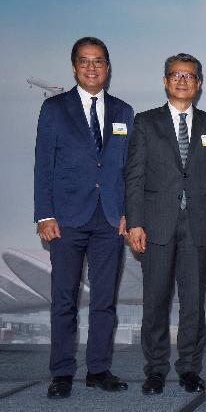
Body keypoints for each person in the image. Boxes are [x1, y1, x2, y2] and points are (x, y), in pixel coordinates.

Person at [34, 37, 132, 399]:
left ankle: (99, 369)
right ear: (74, 67)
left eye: (99, 62)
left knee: (105, 300)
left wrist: (128, 214)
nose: (92, 68)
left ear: (108, 67)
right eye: (85, 62)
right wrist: (44, 214)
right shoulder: (55, 109)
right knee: (64, 299)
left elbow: (128, 170)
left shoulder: (124, 111)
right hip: (66, 218)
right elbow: (43, 164)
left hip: (109, 219)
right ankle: (61, 372)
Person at [124, 53, 206, 395]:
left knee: (194, 302)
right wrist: (135, 222)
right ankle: (154, 370)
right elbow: (134, 177)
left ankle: (189, 369)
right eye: (176, 75)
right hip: (156, 225)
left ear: (199, 84)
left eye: (190, 76)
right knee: (155, 301)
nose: (183, 81)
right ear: (166, 81)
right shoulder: (145, 122)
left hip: (198, 226)